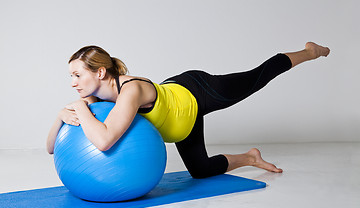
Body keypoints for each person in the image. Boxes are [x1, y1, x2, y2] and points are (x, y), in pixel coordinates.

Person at [47, 42, 330, 178]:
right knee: (200, 170)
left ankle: (309, 52)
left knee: (256, 77)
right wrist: (61, 115)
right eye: (70, 76)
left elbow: (105, 140)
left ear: (99, 73)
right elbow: (50, 148)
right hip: (181, 122)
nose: (72, 83)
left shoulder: (129, 90)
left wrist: (78, 110)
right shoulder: (94, 101)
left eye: (76, 75)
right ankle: (250, 158)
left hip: (196, 92)